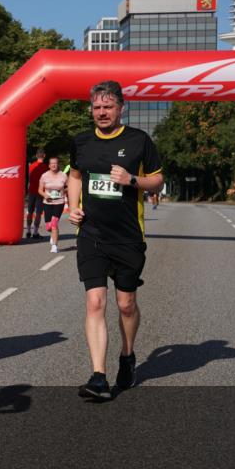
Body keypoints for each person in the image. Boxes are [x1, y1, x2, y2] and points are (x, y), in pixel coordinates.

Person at [68, 81, 163, 400]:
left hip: (128, 237)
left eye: (108, 107)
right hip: (92, 236)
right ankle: (98, 376)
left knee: (126, 305)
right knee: (95, 302)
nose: (101, 112)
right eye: (96, 107)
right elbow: (75, 176)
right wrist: (72, 207)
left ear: (122, 108)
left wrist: (132, 180)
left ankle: (127, 355)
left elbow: (158, 179)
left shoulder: (139, 140)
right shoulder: (81, 142)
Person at [38, 156, 68, 253]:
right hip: (47, 202)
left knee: (54, 224)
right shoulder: (44, 176)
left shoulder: (63, 175)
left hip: (59, 202)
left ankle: (54, 246)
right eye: (52, 163)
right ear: (49, 165)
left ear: (58, 164)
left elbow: (69, 187)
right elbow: (40, 190)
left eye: (55, 163)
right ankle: (53, 235)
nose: (54, 165)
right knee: (48, 226)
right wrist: (45, 195)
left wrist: (63, 190)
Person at [26, 149, 49, 239]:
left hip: (31, 191)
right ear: (44, 156)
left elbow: (29, 178)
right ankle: (35, 232)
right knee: (38, 213)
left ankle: (28, 231)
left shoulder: (31, 166)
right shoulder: (46, 168)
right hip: (41, 192)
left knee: (30, 212)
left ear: (36, 156)